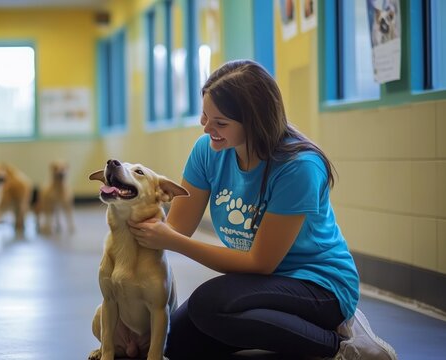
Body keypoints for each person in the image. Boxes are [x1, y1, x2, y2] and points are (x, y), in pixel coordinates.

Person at [128, 59, 397, 359]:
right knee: (175, 342)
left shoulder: (299, 167)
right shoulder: (207, 151)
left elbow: (259, 263)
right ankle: (290, 332)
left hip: (318, 285)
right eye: (205, 116)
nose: (207, 129)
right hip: (261, 284)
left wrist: (174, 242)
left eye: (220, 123)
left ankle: (345, 346)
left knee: (209, 303)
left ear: (254, 121)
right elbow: (176, 227)